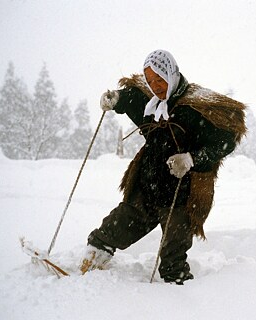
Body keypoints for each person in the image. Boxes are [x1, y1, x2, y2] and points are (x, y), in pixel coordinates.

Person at [79, 49, 246, 284]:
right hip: (148, 188)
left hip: (181, 196)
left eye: (160, 78)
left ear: (172, 73)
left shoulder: (193, 107)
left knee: (173, 261)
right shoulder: (152, 105)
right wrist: (116, 98)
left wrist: (191, 158)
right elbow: (132, 99)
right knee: (111, 231)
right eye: (151, 80)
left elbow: (225, 142)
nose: (156, 85)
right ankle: (90, 262)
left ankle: (181, 302)